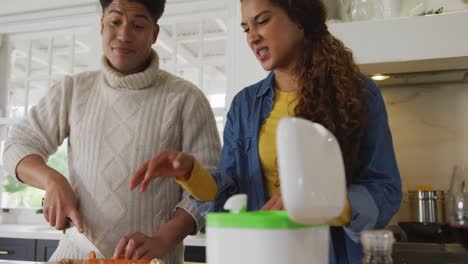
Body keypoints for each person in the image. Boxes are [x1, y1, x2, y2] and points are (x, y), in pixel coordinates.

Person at [128, 0, 402, 263]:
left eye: (262, 21)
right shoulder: (245, 106)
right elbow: (228, 200)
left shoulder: (358, 93)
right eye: (247, 29)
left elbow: (384, 191)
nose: (252, 38)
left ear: (300, 19)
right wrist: (191, 174)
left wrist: (317, 206)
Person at [2, 0, 221, 263]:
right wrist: (52, 181)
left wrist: (162, 240)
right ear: (102, 24)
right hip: (77, 256)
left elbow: (210, 188)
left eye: (138, 25)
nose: (124, 35)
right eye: (115, 22)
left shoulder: (186, 99)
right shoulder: (73, 90)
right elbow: (18, 146)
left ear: (154, 34)